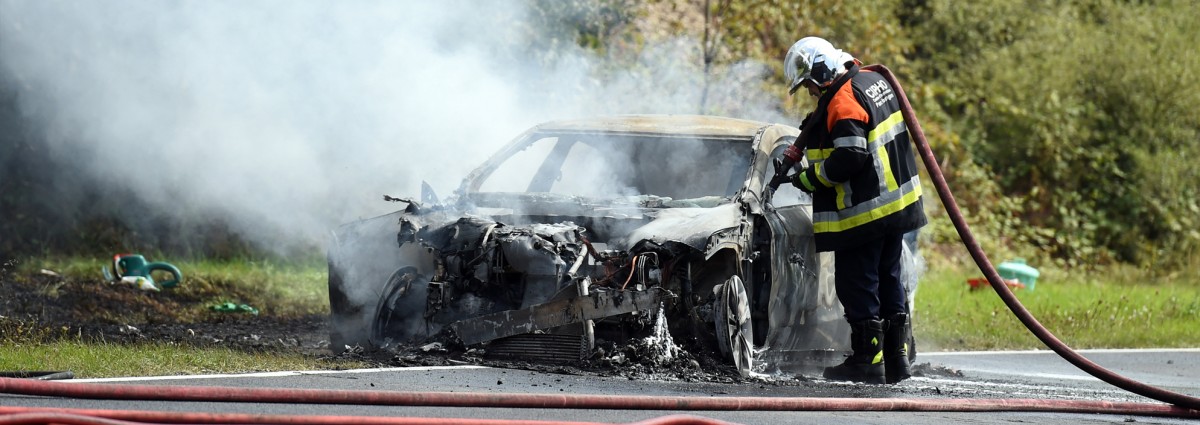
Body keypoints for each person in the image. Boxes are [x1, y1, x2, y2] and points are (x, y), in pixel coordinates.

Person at [777, 36, 927, 384]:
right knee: (889, 280)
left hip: (866, 210)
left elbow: (850, 156)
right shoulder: (873, 81)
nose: (812, 93)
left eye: (811, 86)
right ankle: (895, 358)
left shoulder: (843, 102)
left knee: (856, 283)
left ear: (822, 71)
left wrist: (811, 179)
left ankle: (866, 360)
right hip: (895, 205)